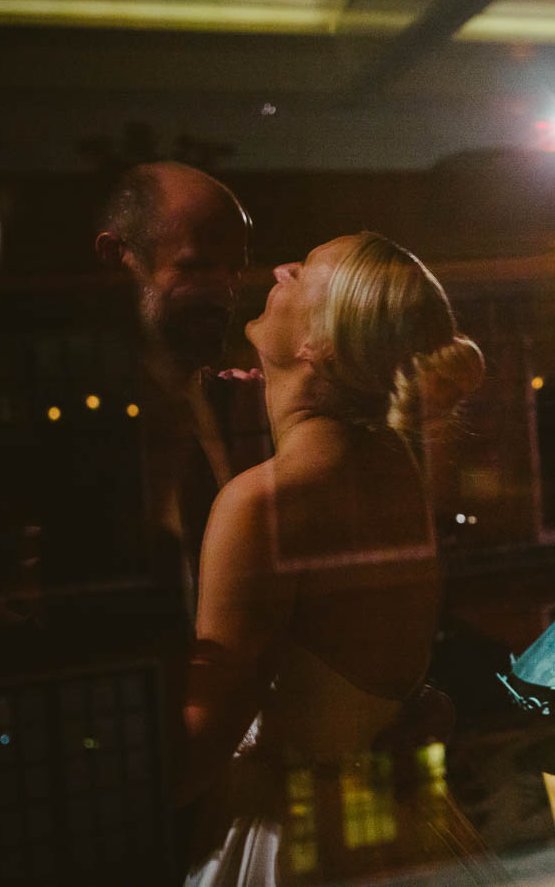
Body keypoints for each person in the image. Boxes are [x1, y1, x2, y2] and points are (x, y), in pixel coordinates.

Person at [179, 232, 486, 886]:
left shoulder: (265, 503)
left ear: (320, 344)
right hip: (389, 819)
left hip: (296, 839)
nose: (283, 267)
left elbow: (197, 750)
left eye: (308, 269)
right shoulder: (390, 464)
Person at [93, 161, 269, 620]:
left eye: (234, 269)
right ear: (117, 259)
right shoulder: (89, 413)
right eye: (197, 266)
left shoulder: (219, 395)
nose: (225, 291)